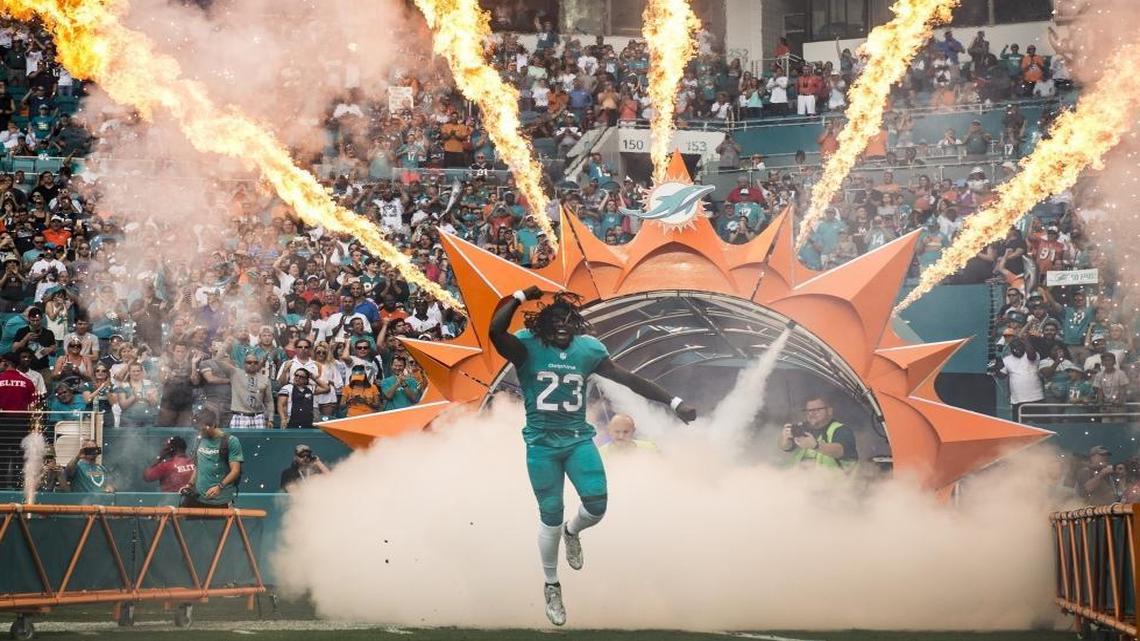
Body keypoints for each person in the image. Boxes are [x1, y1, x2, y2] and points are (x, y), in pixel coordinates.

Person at [489, 287, 696, 626]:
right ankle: (552, 585)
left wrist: (674, 403)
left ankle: (574, 532)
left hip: (576, 438)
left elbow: (629, 379)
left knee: (597, 505)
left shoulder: (587, 351)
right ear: (542, 324)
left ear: (576, 325)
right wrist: (519, 295)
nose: (562, 326)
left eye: (568, 321)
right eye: (555, 320)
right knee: (550, 515)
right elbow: (496, 331)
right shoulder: (527, 346)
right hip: (542, 443)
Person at [180, 406, 243, 508]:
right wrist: (190, 485)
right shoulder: (199, 440)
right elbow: (198, 466)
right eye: (198, 429)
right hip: (198, 498)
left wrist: (219, 487)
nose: (200, 433)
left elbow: (235, 471)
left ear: (213, 424)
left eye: (203, 429)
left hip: (221, 500)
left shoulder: (231, 441)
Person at [779, 395, 857, 471]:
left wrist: (816, 446)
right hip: (800, 480)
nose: (811, 414)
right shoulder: (801, 427)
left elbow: (840, 451)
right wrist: (785, 440)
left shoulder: (841, 430)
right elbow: (786, 447)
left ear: (829, 411)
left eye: (817, 410)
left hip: (836, 482)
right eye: (809, 410)